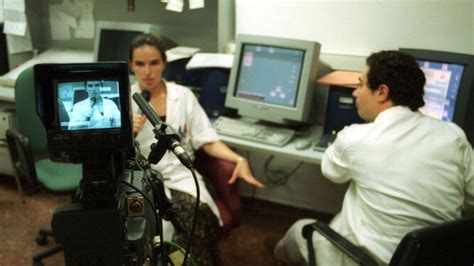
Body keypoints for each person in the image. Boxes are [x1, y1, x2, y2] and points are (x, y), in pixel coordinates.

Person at [274, 50, 474, 265]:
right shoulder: (453, 136)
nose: (355, 93)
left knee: (299, 230)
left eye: (360, 85)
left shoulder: (355, 138)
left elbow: (331, 171)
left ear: (381, 92)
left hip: (367, 261)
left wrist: (339, 145)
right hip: (436, 259)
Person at [128, 33, 264, 266]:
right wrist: (128, 133)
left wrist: (239, 160)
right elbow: (112, 152)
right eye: (140, 64)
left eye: (154, 63)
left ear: (164, 64)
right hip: (144, 176)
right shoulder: (125, 100)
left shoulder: (183, 96)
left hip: (181, 171)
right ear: (131, 65)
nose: (148, 71)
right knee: (160, 225)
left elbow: (207, 140)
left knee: (199, 213)